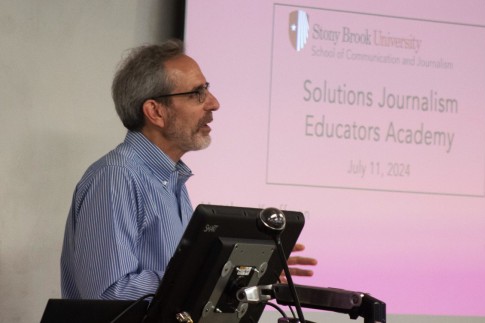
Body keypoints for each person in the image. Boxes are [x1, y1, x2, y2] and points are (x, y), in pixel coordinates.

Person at [60, 39, 317, 300]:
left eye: (207, 90)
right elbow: (107, 295)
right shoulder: (116, 177)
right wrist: (205, 273)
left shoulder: (172, 180)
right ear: (155, 112)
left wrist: (244, 277)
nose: (214, 103)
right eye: (197, 94)